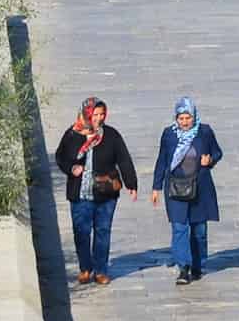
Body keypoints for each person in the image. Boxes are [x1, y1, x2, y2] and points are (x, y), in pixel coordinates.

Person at [56, 98, 136, 286]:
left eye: (102, 115)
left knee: (103, 231)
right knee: (81, 232)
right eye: (95, 115)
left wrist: (131, 183)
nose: (99, 119)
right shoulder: (72, 135)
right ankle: (85, 268)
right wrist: (71, 168)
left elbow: (123, 159)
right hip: (80, 194)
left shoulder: (111, 135)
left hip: (105, 193)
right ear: (86, 114)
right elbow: (60, 157)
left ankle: (100, 270)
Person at [151, 95, 225, 285]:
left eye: (188, 118)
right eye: (181, 118)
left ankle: (198, 264)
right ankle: (183, 267)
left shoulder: (204, 132)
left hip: (200, 188)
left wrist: (210, 160)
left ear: (194, 116)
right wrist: (156, 187)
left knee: (199, 229)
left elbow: (217, 152)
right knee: (179, 227)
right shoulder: (169, 135)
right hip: (175, 188)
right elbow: (162, 161)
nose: (184, 122)